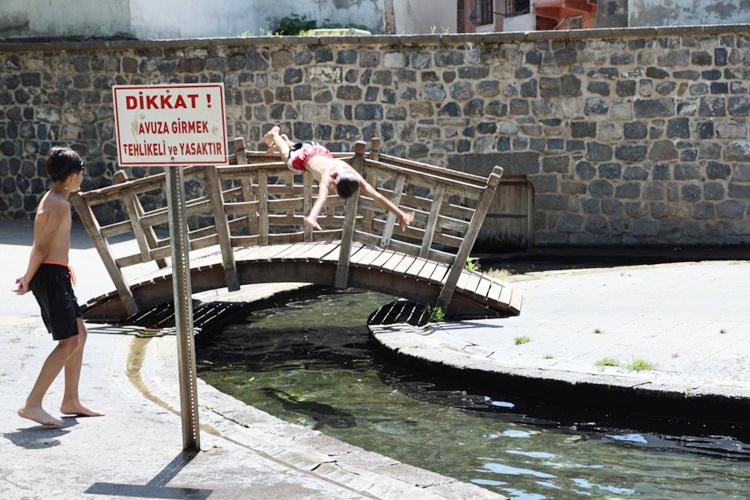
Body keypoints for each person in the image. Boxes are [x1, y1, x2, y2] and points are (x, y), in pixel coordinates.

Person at [13, 147, 104, 426]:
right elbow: (41, 246)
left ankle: (71, 400)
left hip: (58, 274)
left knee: (79, 333)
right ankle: (32, 403)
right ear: (72, 177)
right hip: (51, 276)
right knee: (69, 342)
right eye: (80, 173)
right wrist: (28, 278)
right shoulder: (59, 204)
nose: (82, 177)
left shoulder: (54, 198)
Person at [264, 126, 415, 231]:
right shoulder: (328, 176)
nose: (333, 189)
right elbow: (322, 197)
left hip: (317, 150)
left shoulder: (350, 174)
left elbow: (376, 195)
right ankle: (276, 134)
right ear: (335, 182)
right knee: (287, 158)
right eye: (335, 189)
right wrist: (312, 217)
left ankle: (286, 142)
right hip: (302, 158)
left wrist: (400, 214)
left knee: (296, 151)